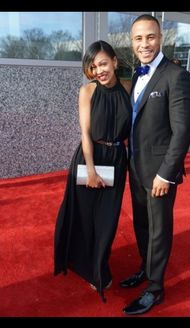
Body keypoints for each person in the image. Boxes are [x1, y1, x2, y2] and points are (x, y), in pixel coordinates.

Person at [120, 14, 190, 315]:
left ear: (161, 37)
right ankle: (145, 267)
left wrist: (166, 174)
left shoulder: (177, 77)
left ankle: (155, 288)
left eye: (150, 37)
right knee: (141, 224)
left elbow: (183, 131)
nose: (144, 44)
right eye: (138, 38)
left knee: (158, 230)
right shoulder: (138, 74)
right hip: (137, 168)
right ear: (132, 42)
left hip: (159, 174)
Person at [54, 40, 132, 302]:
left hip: (117, 158)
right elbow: (85, 134)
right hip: (90, 156)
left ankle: (100, 263)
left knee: (107, 220)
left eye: (103, 63)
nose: (99, 70)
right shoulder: (87, 91)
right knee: (86, 217)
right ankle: (90, 269)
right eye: (93, 65)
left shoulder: (129, 88)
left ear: (115, 62)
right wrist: (89, 169)